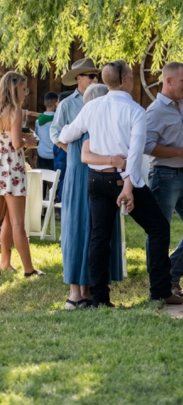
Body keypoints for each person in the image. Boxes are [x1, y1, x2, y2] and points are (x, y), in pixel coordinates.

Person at [59, 60, 183, 306]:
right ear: (125, 81)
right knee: (158, 228)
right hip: (124, 179)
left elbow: (65, 135)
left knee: (99, 238)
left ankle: (100, 299)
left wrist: (89, 146)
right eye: (131, 77)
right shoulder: (135, 110)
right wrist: (128, 187)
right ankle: (160, 290)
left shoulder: (92, 107)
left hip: (96, 179)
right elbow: (135, 154)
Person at [60, 83, 124, 309]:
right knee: (91, 232)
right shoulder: (92, 125)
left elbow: (62, 135)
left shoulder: (78, 122)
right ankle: (80, 292)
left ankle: (79, 292)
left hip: (75, 179)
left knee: (77, 232)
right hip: (89, 179)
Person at [0, 71, 43, 277]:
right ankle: (29, 270)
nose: (25, 93)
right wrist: (28, 143)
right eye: (23, 89)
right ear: (14, 89)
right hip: (11, 167)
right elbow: (15, 144)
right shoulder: (15, 110)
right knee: (17, 223)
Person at [144, 62, 183, 296]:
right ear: (168, 81)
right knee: (160, 233)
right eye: (182, 82)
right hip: (164, 176)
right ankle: (158, 286)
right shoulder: (155, 110)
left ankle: (171, 276)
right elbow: (147, 146)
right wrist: (179, 152)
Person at [52, 90, 74, 203]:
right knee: (62, 179)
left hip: (63, 149)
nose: (56, 104)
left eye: (58, 101)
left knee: (63, 179)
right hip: (62, 149)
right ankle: (61, 207)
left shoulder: (66, 113)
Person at [35, 91, 58, 170]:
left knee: (41, 180)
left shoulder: (38, 120)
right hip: (54, 155)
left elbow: (37, 135)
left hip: (42, 153)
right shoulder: (58, 119)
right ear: (56, 103)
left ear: (45, 103)